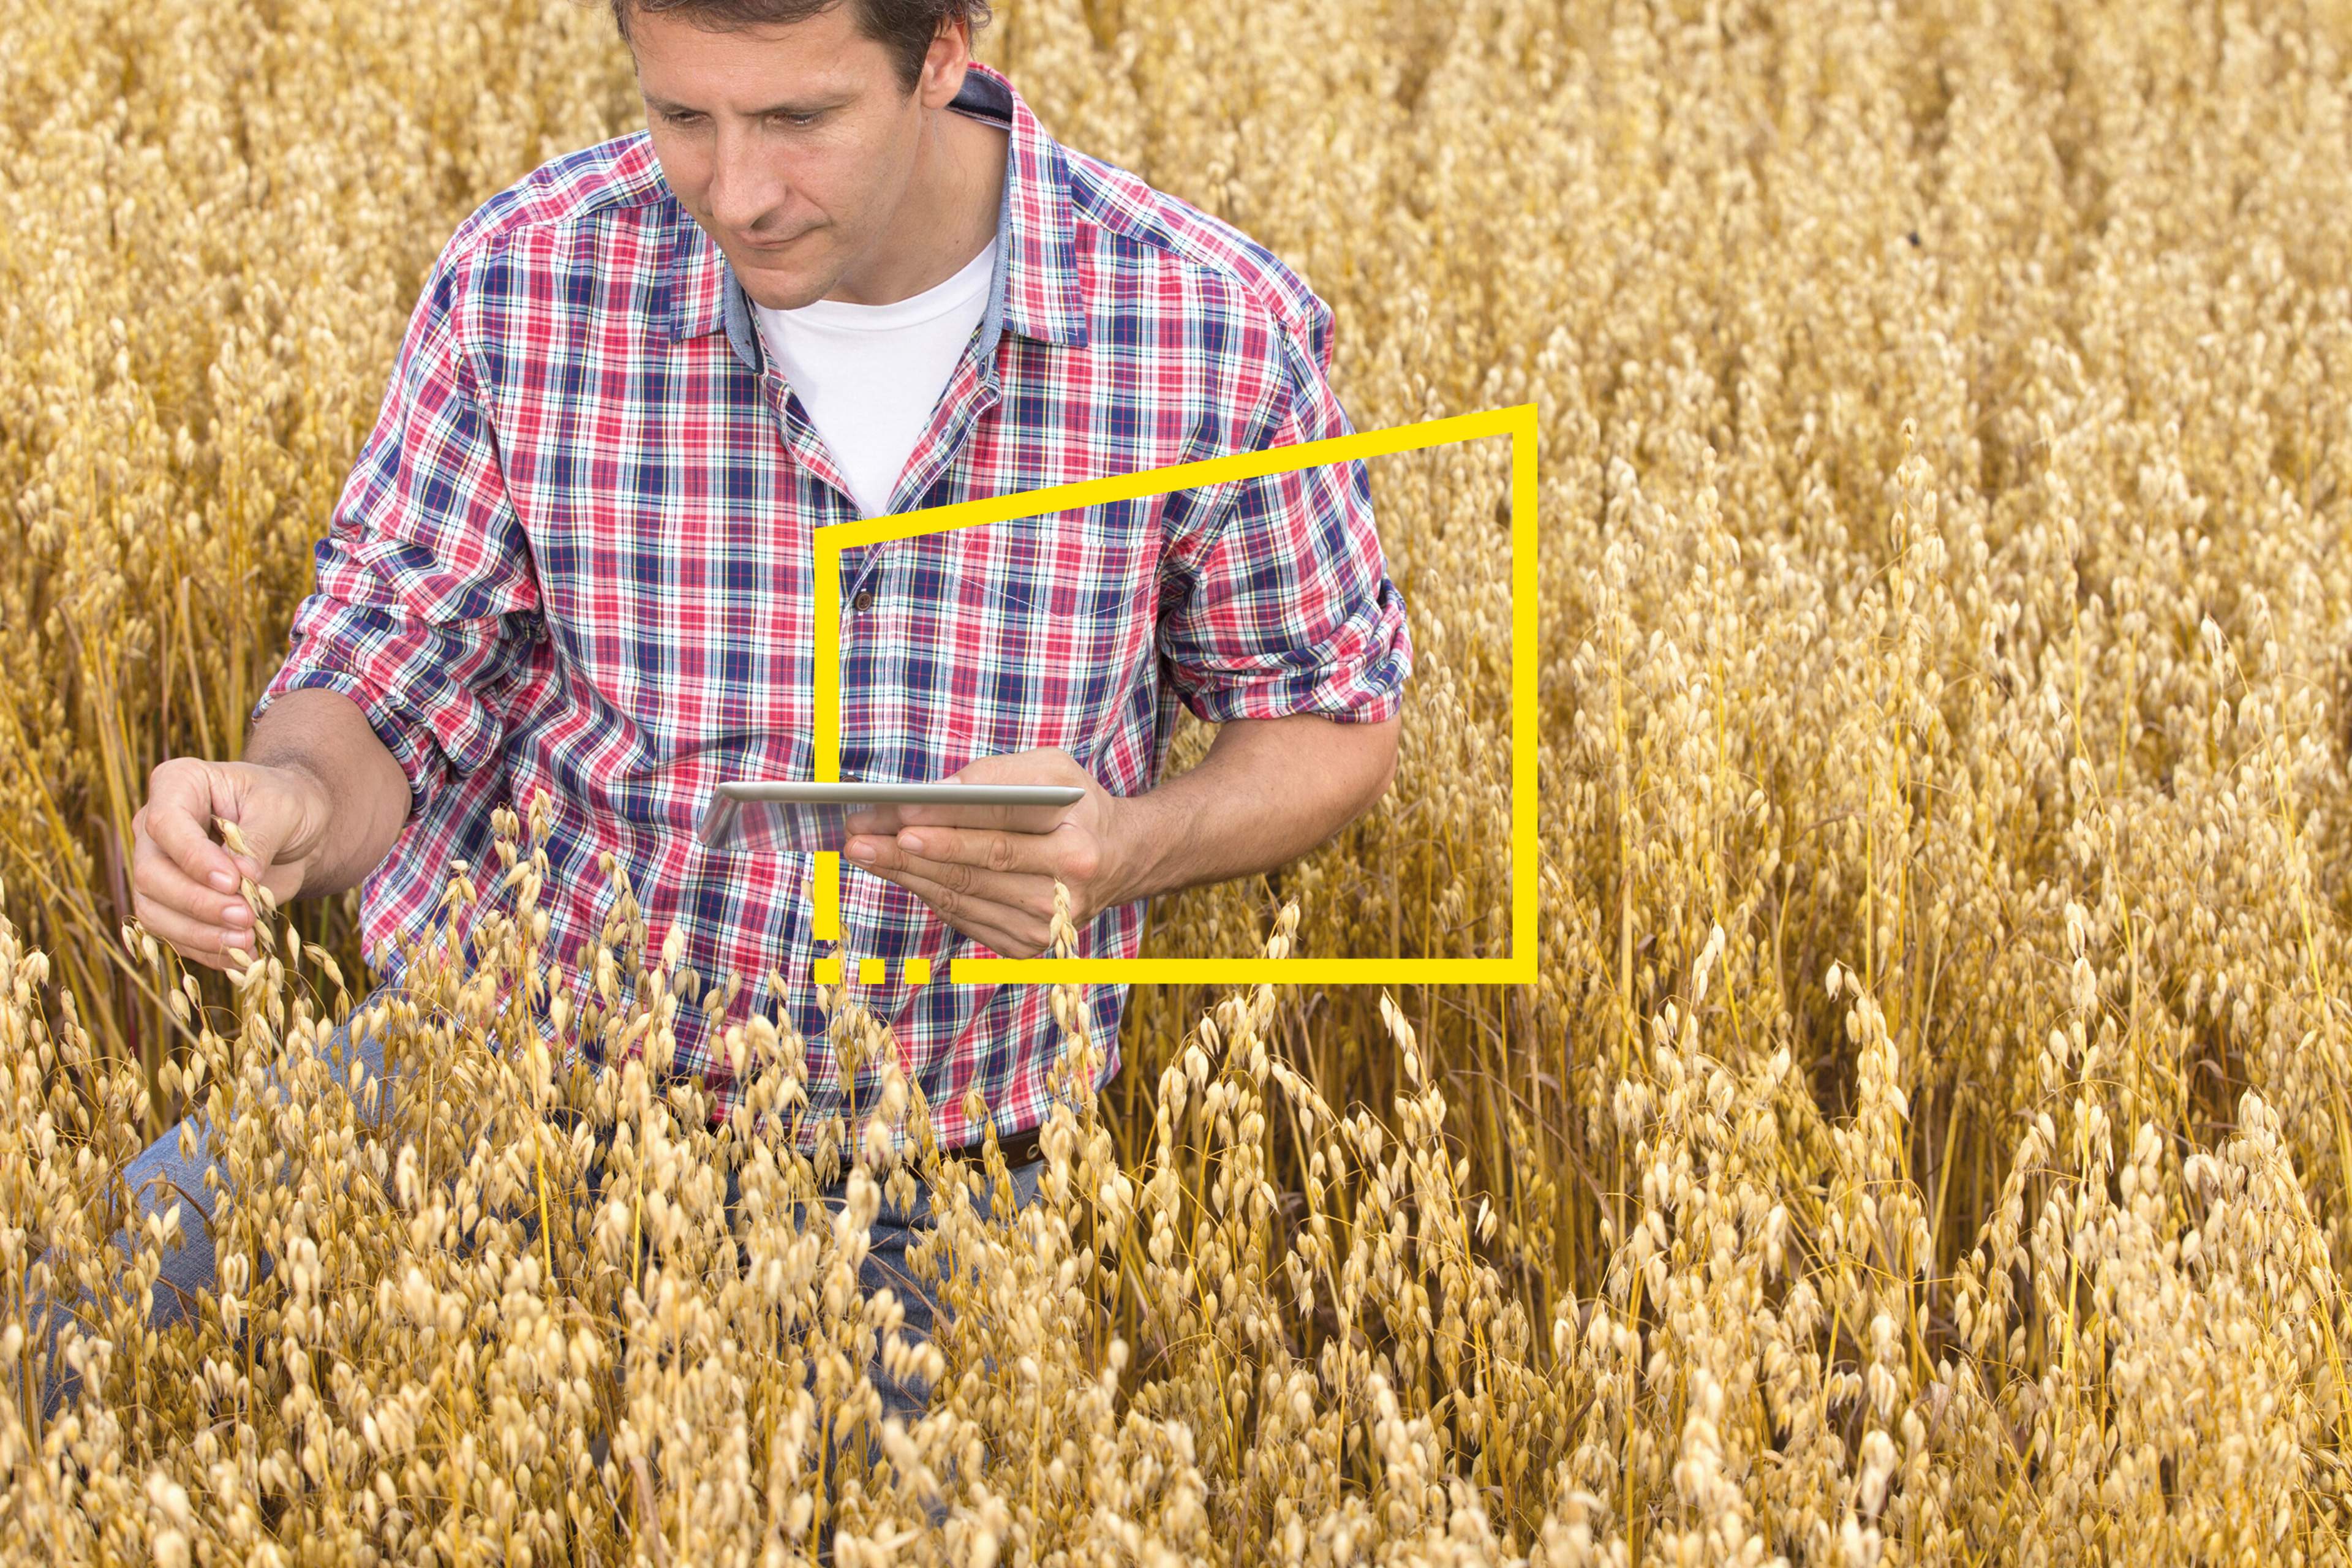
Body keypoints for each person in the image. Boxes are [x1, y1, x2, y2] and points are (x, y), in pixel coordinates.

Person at [110, 0, 1411, 1420]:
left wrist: (1131, 846)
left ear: (943, 54)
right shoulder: (528, 277)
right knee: (70, 1319)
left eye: (798, 120)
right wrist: (288, 802)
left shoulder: (1207, 327)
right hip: (474, 1083)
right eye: (683, 117)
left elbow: (1331, 718)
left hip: (925, 1178)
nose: (735, 191)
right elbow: (381, 672)